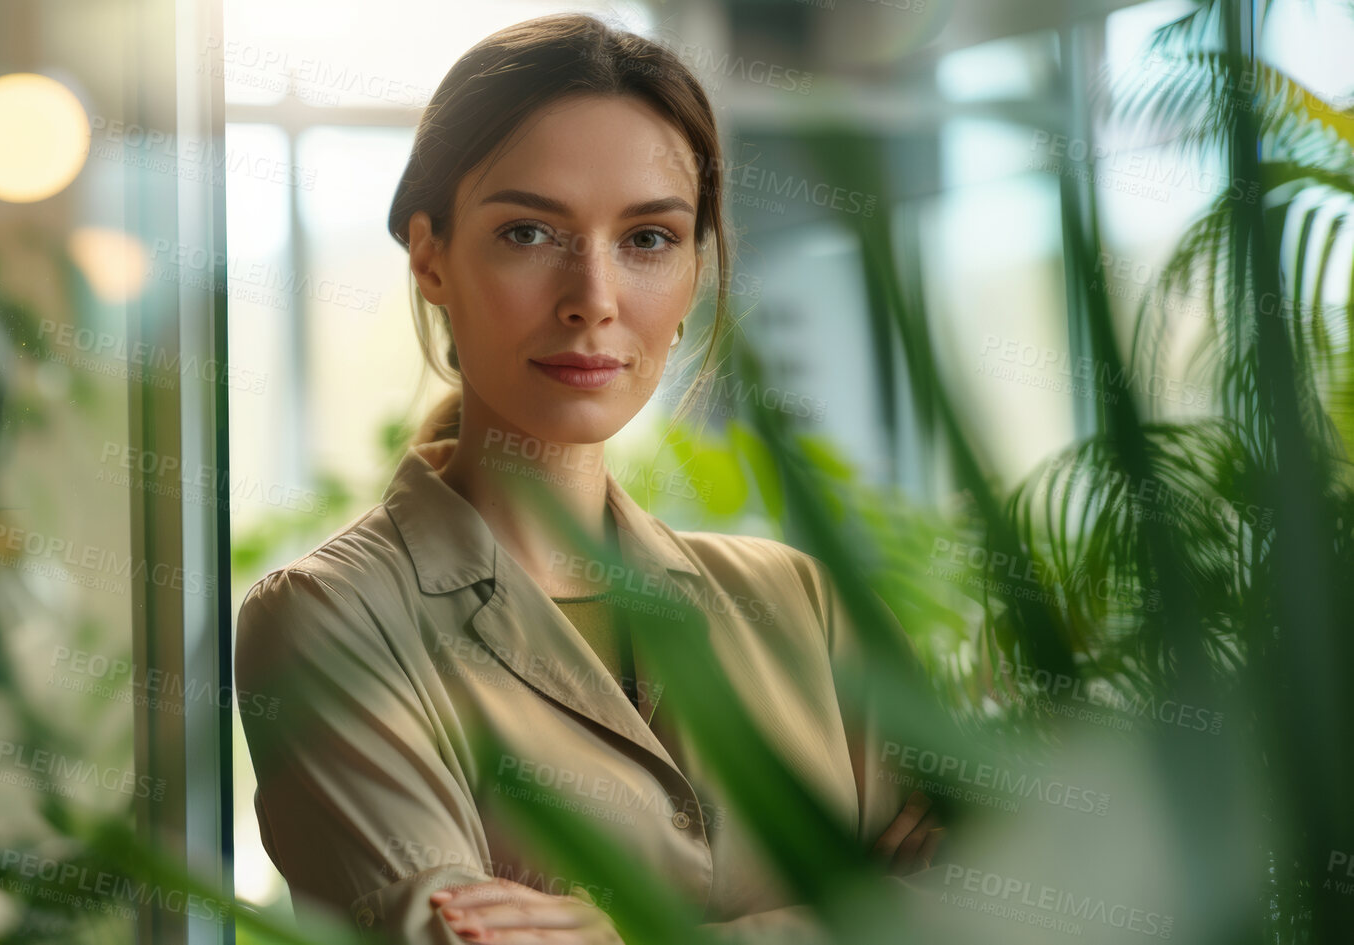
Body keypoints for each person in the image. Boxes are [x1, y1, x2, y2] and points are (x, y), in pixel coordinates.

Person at [234, 13, 942, 944]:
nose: (594, 299)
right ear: (429, 254)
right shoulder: (332, 620)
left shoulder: (803, 607)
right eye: (529, 232)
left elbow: (987, 906)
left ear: (695, 273)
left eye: (648, 238)